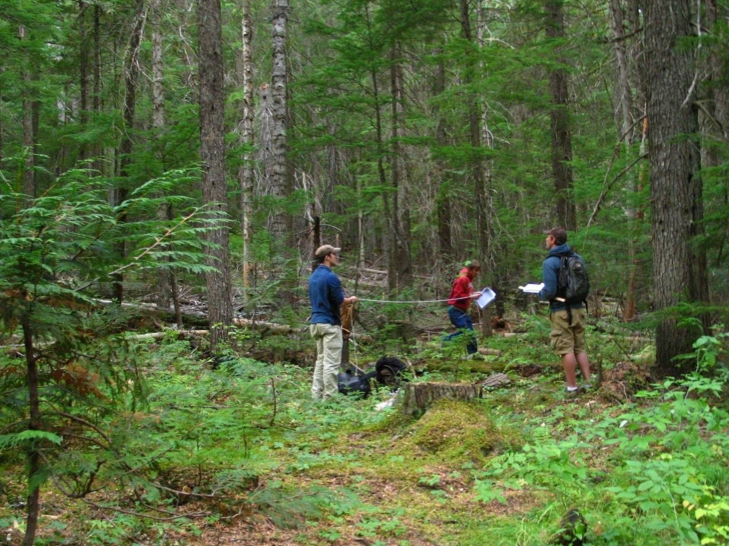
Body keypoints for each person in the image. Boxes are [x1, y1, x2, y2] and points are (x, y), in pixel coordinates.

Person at [538, 227, 592, 393]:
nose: (546, 240)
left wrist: (540, 293)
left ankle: (571, 387)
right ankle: (588, 383)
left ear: (553, 240)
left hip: (561, 311)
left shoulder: (550, 262)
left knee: (566, 349)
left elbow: (550, 291)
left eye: (548, 237)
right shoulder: (577, 258)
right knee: (580, 347)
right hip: (578, 307)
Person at [309, 244, 358, 400]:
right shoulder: (331, 277)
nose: (337, 257)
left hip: (316, 324)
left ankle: (316, 397)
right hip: (329, 324)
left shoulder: (313, 277)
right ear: (327, 257)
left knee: (321, 361)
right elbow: (339, 301)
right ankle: (330, 399)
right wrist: (351, 300)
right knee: (331, 363)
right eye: (334, 254)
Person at [445, 261, 482, 354]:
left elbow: (466, 293)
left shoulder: (469, 280)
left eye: (478, 271)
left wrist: (475, 294)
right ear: (470, 270)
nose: (477, 273)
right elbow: (458, 295)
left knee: (471, 334)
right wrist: (471, 296)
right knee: (465, 332)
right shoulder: (462, 279)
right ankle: (445, 341)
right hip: (455, 310)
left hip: (463, 311)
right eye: (475, 270)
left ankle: (473, 355)